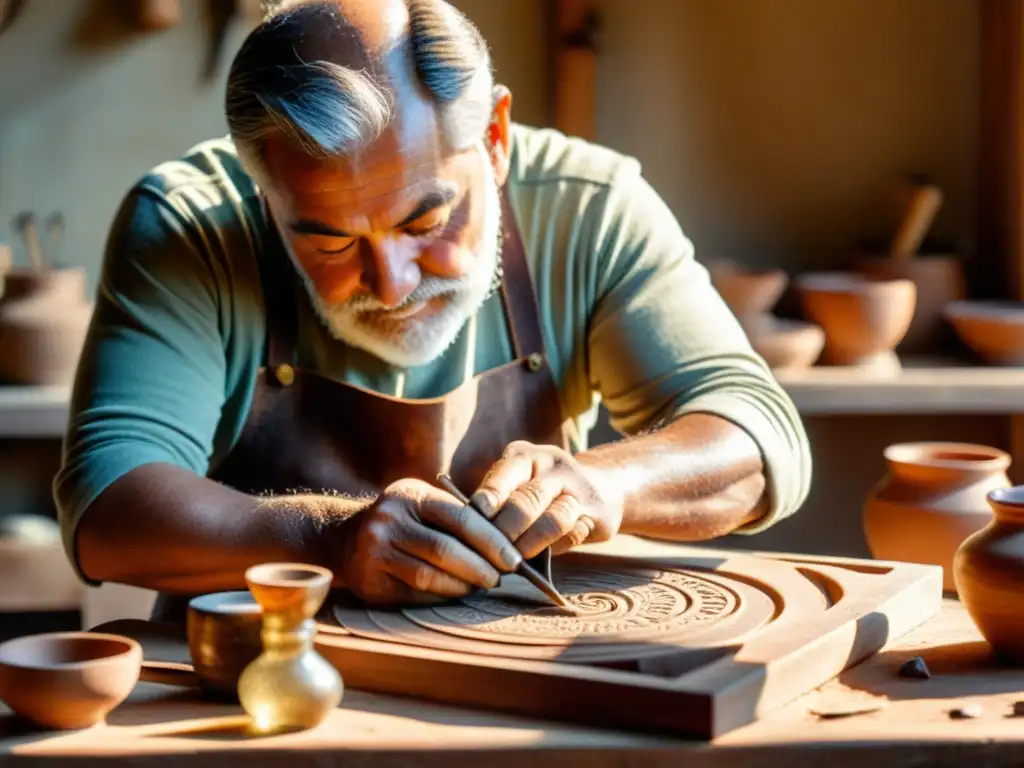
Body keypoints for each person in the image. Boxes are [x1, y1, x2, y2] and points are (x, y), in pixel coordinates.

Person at [54, 0, 812, 620]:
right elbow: (108, 508)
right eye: (328, 240)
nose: (389, 283)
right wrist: (326, 541)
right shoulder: (189, 225)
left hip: (525, 676)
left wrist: (604, 485)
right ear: (264, 191)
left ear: (494, 137)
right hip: (256, 690)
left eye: (426, 224)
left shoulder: (591, 209)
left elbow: (758, 436)